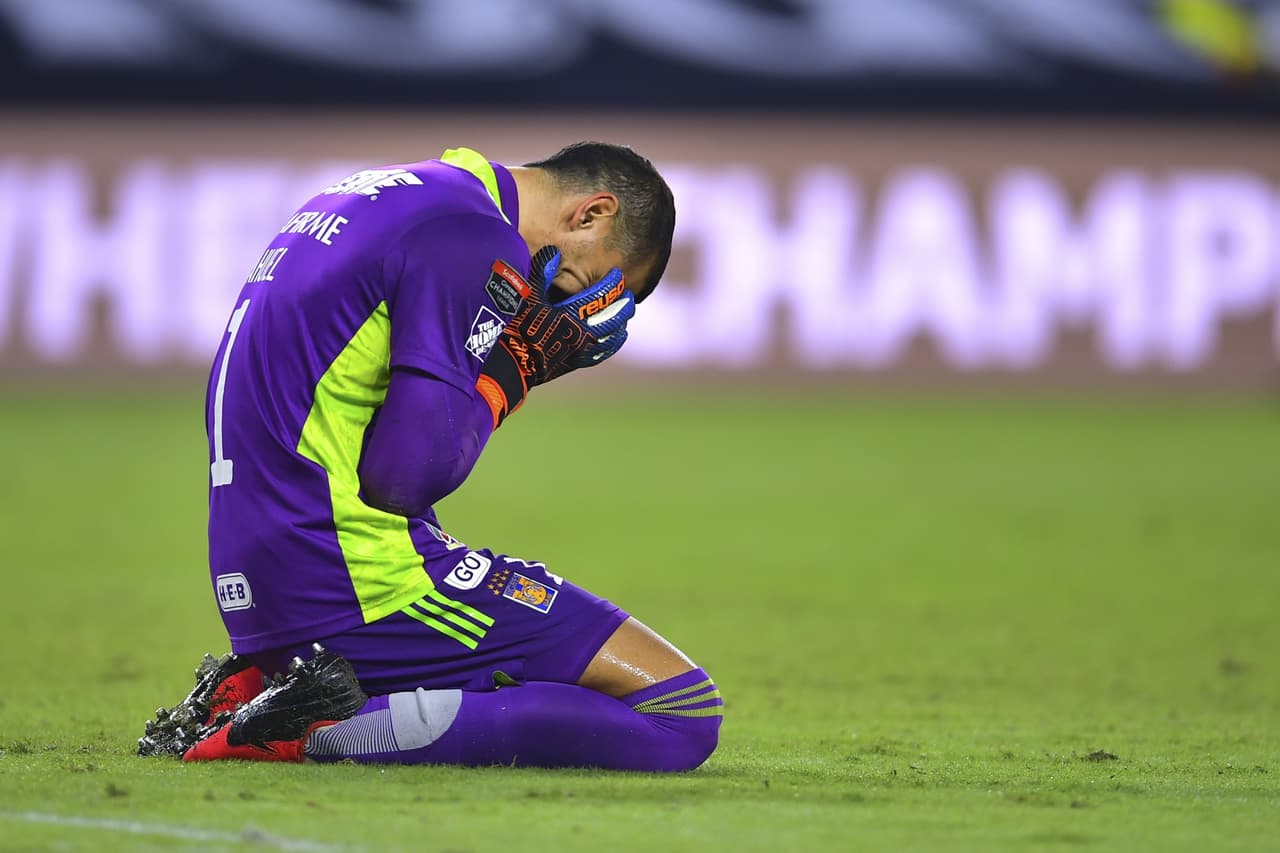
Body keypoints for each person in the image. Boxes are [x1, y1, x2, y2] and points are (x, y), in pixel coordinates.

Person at [167, 142, 722, 770]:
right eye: (595, 282)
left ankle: (273, 685)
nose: (575, 304)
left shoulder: (390, 195)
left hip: (264, 574)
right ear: (592, 214)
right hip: (350, 582)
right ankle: (309, 727)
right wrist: (516, 368)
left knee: (526, 677)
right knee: (681, 711)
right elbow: (404, 478)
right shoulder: (472, 235)